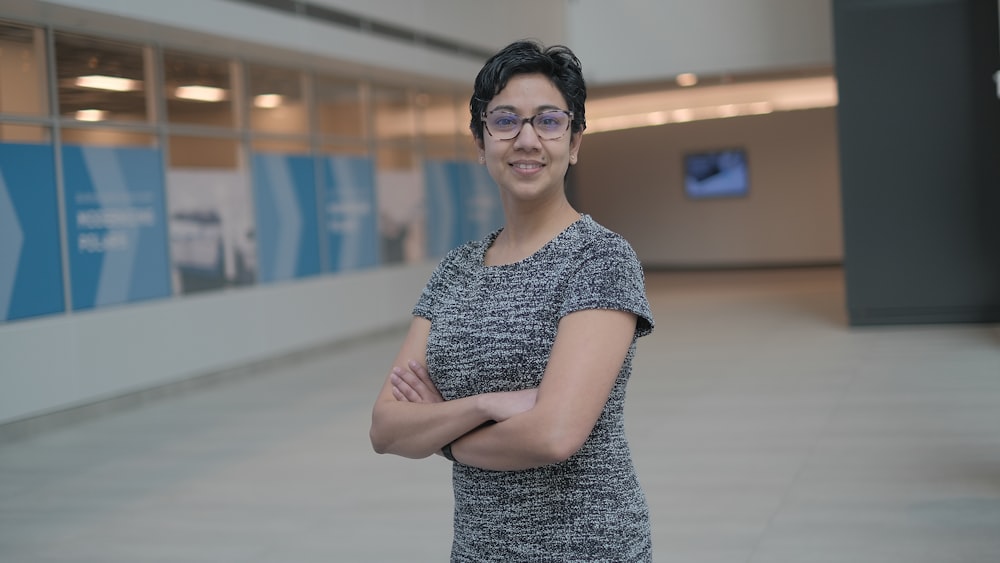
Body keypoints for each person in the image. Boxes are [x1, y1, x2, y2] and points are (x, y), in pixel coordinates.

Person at [369, 39, 655, 562]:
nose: (527, 139)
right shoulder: (456, 270)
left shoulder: (599, 259)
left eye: (549, 121)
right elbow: (385, 427)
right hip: (478, 551)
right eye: (505, 121)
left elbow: (554, 435)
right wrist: (484, 406)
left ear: (573, 143)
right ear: (481, 142)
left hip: (587, 549)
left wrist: (442, 434)